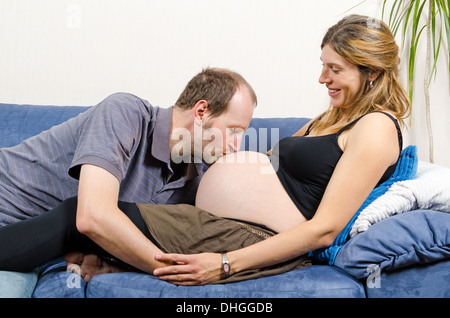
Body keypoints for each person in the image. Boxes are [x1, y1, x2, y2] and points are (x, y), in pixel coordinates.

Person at [0, 14, 411, 287]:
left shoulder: (376, 127)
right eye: (322, 65)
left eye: (334, 68)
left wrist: (226, 263)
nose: (322, 78)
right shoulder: (329, 120)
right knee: (85, 216)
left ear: (371, 71)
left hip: (256, 237)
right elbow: (265, 168)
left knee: (79, 215)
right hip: (217, 221)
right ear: (201, 112)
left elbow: (323, 226)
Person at [0, 67, 257, 297]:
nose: (237, 145)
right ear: (201, 111)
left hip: (27, 248)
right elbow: (92, 217)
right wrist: (177, 273)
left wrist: (115, 263)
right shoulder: (125, 113)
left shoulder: (195, 182)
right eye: (234, 131)